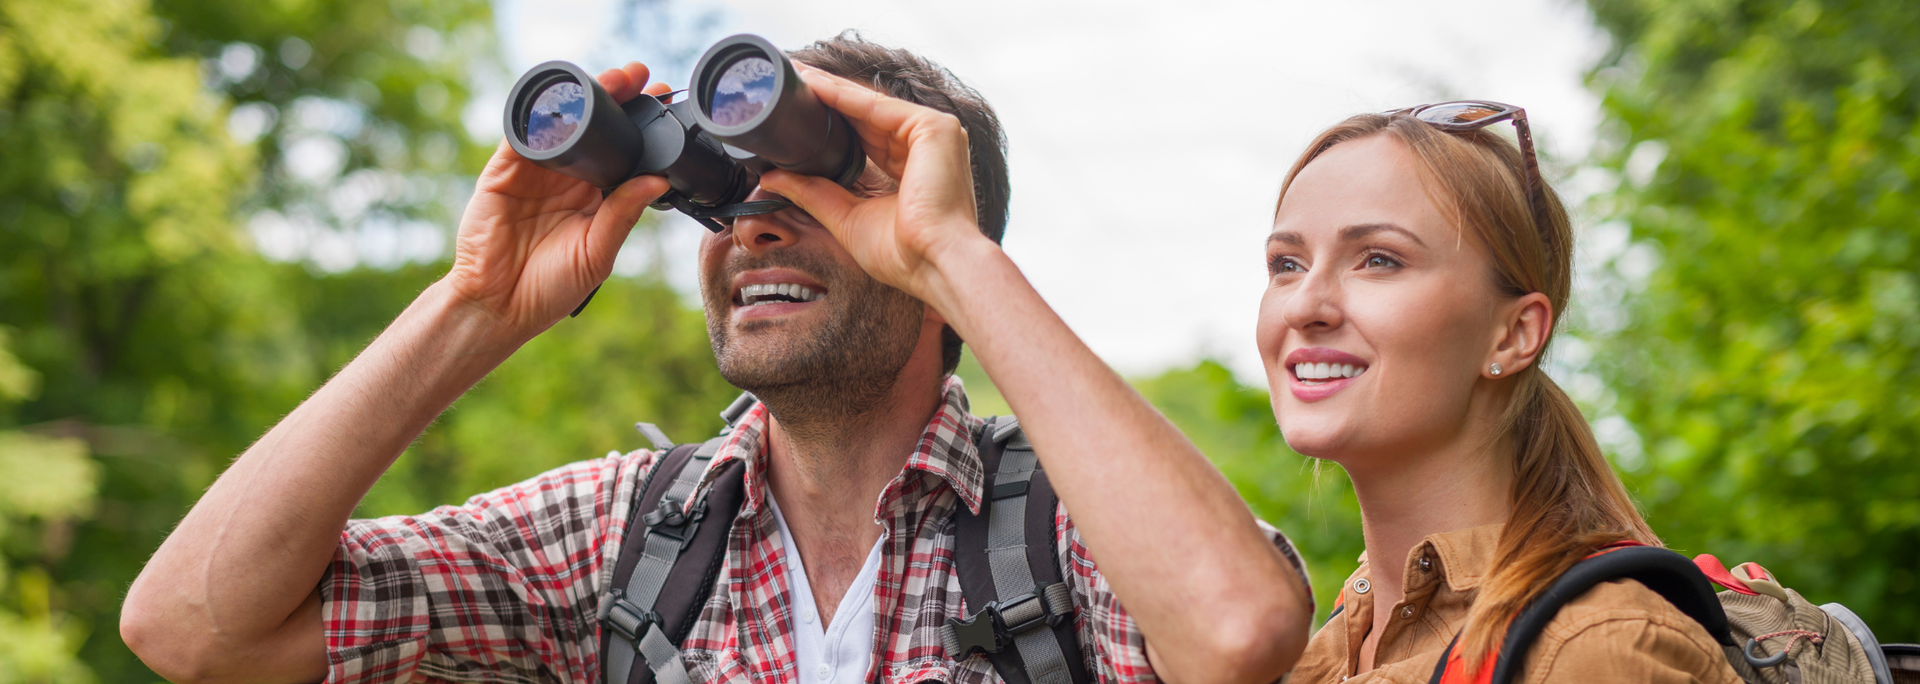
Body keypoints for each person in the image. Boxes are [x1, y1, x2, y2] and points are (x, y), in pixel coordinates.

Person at [119, 34, 1314, 684]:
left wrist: (951, 254)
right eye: (730, 201)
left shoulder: (1067, 531)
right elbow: (194, 629)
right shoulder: (620, 538)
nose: (753, 226)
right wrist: (476, 304)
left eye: (816, 192)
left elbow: (1236, 635)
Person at [1254, 104, 1742, 682]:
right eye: (1287, 264)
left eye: (1378, 259)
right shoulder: (1335, 640)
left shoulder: (1589, 650)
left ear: (1513, 334)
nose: (1304, 305)